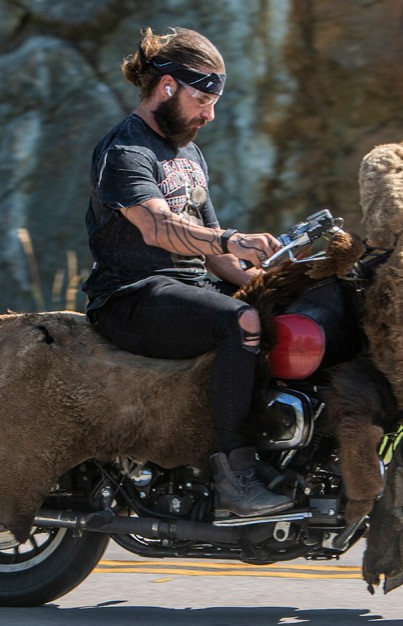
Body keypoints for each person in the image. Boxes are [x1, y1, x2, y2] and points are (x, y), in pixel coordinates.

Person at [81, 27, 294, 518]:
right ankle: (234, 477)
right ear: (168, 87)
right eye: (202, 99)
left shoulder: (189, 154)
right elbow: (158, 227)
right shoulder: (125, 150)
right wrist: (232, 241)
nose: (209, 114)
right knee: (238, 323)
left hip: (188, 288)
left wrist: (272, 283)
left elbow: (217, 255)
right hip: (132, 297)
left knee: (278, 310)